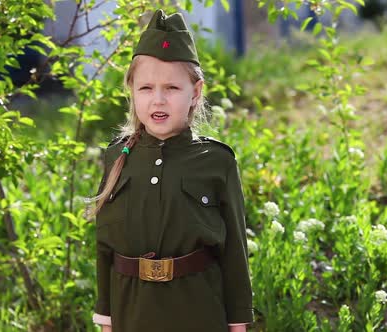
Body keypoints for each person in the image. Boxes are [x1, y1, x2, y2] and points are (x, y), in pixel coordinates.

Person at [89, 9, 253, 332]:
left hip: (198, 311)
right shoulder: (116, 158)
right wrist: (106, 322)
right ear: (132, 91)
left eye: (172, 89)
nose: (158, 100)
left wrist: (238, 325)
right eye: (146, 88)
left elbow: (235, 254)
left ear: (195, 92)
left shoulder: (217, 162)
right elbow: (105, 247)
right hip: (132, 313)